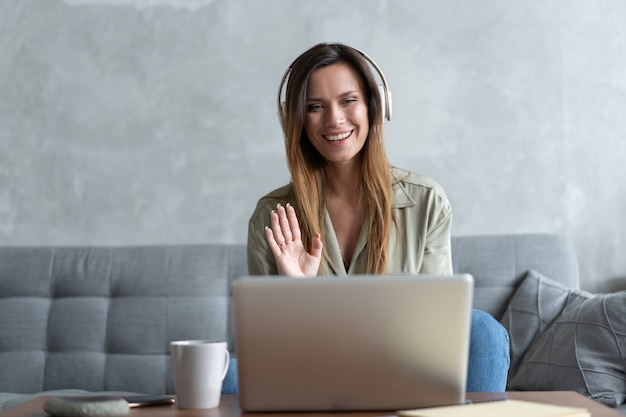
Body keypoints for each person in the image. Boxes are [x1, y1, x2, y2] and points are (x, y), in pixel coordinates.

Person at [244, 42, 510, 392]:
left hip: (405, 374)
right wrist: (298, 295)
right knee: (231, 377)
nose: (334, 119)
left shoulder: (425, 202)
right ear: (297, 120)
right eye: (314, 107)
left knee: (482, 331)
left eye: (348, 101)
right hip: (314, 381)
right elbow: (271, 356)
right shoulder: (273, 215)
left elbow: (438, 331)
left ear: (375, 106)